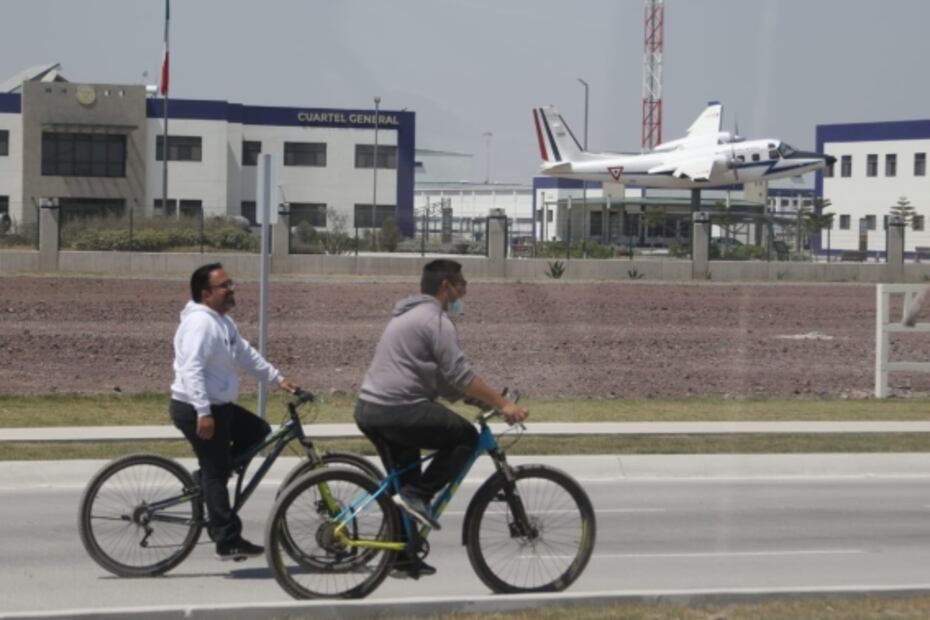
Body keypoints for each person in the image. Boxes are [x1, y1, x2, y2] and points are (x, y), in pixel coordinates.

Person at [355, 259, 528, 577]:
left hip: (373, 408)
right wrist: (503, 404)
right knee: (465, 439)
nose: (466, 289)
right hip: (395, 409)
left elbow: (443, 380)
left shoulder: (411, 314)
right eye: (462, 283)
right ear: (445, 285)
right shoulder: (435, 320)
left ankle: (402, 557)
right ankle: (420, 495)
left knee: (405, 483)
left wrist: (474, 398)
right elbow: (460, 374)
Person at [170, 263, 297, 561]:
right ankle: (227, 540)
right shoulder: (200, 324)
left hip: (218, 406)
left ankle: (207, 481)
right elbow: (191, 369)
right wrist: (203, 412)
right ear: (205, 294)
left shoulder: (223, 322)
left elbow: (245, 354)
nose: (232, 289)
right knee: (216, 472)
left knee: (258, 431)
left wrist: (277, 378)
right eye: (224, 286)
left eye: (231, 283)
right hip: (195, 408)